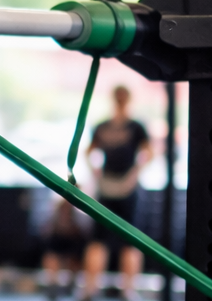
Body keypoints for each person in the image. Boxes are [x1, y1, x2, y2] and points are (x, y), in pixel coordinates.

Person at [81, 86, 151, 301]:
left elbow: (148, 152)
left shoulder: (136, 126)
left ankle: (125, 289)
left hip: (124, 188)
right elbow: (88, 152)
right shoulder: (104, 126)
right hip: (110, 188)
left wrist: (133, 175)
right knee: (101, 240)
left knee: (125, 241)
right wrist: (97, 173)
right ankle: (92, 288)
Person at [40, 197, 89, 299]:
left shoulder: (80, 218)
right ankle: (52, 286)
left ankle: (72, 284)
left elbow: (84, 239)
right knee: (51, 258)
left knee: (76, 260)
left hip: (74, 250)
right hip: (57, 248)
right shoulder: (53, 219)